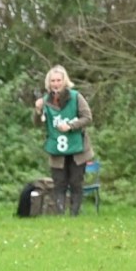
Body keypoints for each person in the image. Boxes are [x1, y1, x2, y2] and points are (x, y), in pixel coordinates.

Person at [33, 65, 94, 216]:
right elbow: (37, 124)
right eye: (53, 81)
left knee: (76, 182)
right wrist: (37, 110)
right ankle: (60, 214)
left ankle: (74, 214)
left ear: (64, 81)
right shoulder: (45, 101)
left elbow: (87, 117)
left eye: (58, 80)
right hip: (57, 149)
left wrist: (71, 126)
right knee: (59, 182)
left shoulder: (76, 97)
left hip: (77, 149)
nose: (56, 83)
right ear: (49, 83)